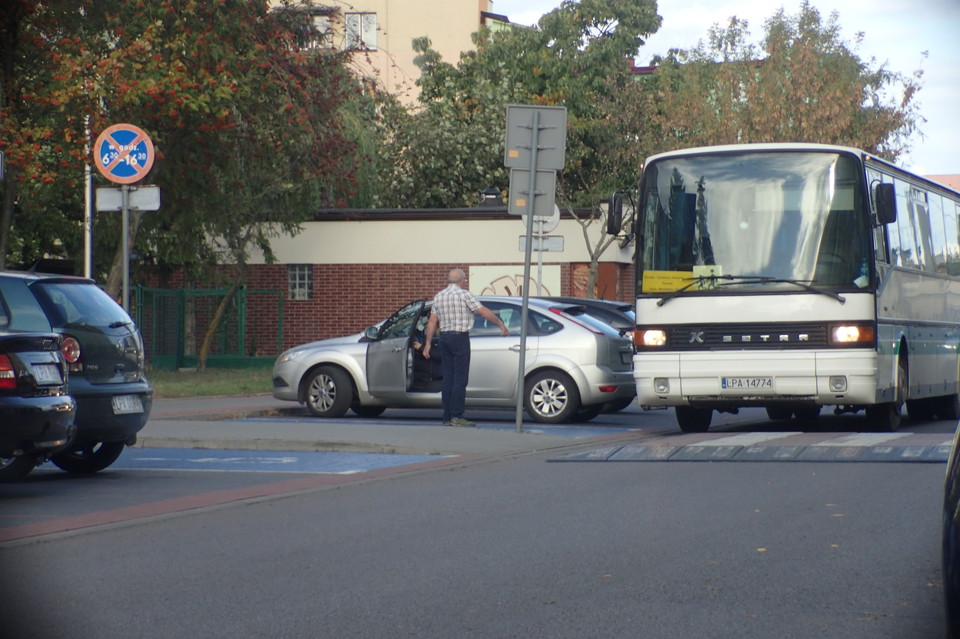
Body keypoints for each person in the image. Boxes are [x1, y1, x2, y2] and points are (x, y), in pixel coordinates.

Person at [422, 269, 509, 427]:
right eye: (465, 280)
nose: (465, 282)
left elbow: (432, 321)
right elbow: (481, 311)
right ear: (461, 280)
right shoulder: (464, 294)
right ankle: (457, 416)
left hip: (444, 338)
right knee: (460, 378)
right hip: (459, 338)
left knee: (448, 378)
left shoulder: (439, 296)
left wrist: (428, 343)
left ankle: (447, 417)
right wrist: (500, 323)